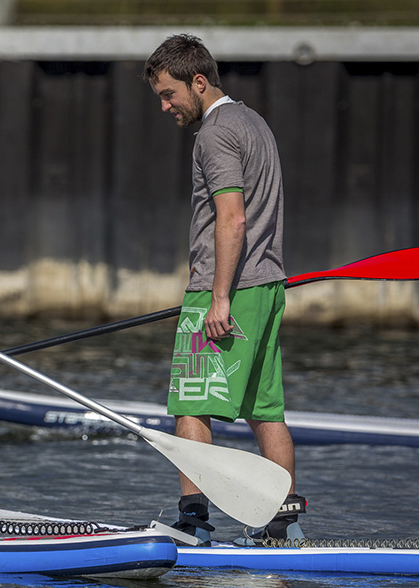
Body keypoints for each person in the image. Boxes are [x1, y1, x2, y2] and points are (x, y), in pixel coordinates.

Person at [142, 34, 305, 546]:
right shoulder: (255, 122)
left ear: (198, 81)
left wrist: (217, 298)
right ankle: (283, 521)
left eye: (169, 95)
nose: (166, 106)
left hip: (230, 290)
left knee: (191, 405)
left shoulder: (214, 134)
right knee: (265, 410)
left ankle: (193, 520)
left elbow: (231, 219)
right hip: (268, 287)